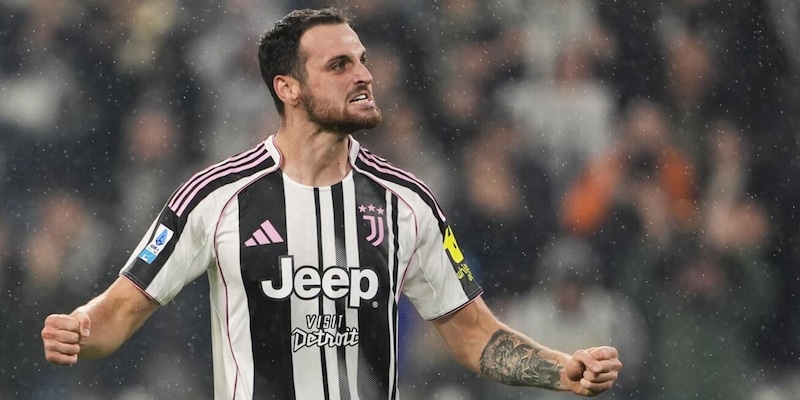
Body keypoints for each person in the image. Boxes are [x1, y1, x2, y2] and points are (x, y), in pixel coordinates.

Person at [41, 7, 621, 399]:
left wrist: (561, 370)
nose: (364, 75)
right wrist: (78, 329)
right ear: (287, 88)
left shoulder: (407, 203)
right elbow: (120, 311)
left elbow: (473, 334)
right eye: (340, 65)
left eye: (362, 59)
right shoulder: (215, 198)